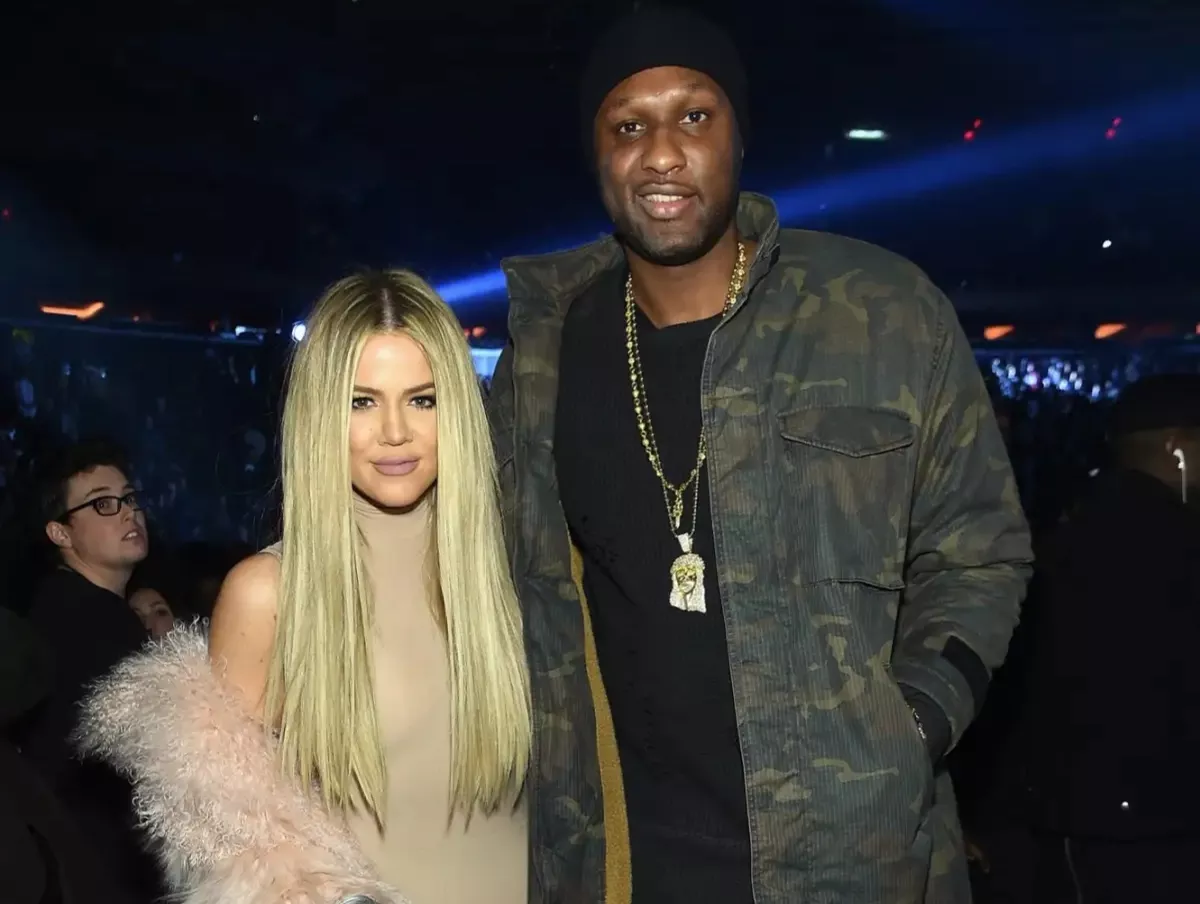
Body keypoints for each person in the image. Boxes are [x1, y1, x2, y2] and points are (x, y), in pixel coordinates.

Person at [486, 7, 1033, 903]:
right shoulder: (544, 352)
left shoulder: (880, 311)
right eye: (629, 127)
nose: (663, 153)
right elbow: (474, 563)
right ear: (596, 154)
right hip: (622, 860)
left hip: (853, 860)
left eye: (694, 115)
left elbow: (980, 549)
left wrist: (914, 727)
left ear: (739, 136)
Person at [78, 270, 531, 904]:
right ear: (320, 414)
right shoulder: (268, 594)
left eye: (423, 400)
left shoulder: (516, 569)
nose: (394, 430)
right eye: (360, 401)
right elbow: (242, 855)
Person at [1013, 373, 1200, 903]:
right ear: (1177, 446)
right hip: (1134, 814)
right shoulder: (1168, 541)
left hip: (1100, 811)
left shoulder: (1075, 533)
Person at [18, 439, 155, 900]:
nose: (127, 512)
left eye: (129, 498)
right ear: (60, 533)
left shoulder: (74, 608)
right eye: (102, 504)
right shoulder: (85, 618)